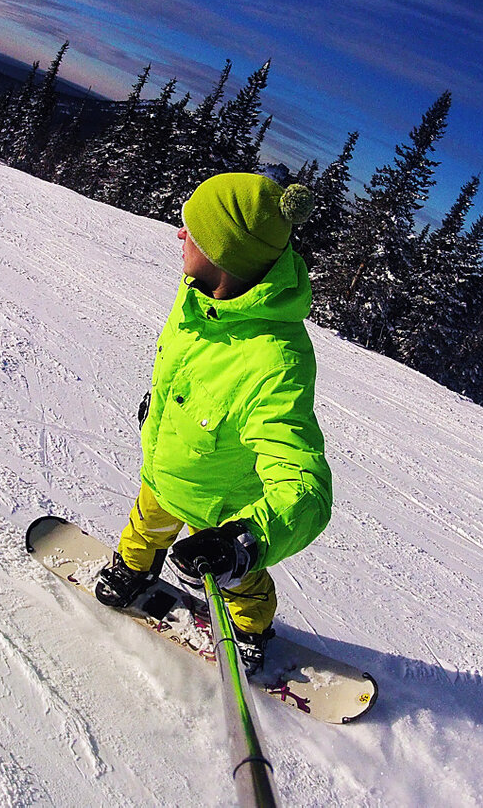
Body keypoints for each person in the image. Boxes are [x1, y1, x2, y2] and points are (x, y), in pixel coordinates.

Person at [95, 171, 333, 675]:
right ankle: (132, 571)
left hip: (221, 506)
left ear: (226, 254)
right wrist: (163, 409)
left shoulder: (275, 361)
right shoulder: (200, 298)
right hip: (164, 470)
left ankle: (250, 630)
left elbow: (305, 490)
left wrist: (243, 544)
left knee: (239, 584)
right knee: (144, 527)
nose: (180, 233)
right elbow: (189, 370)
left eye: (194, 230)